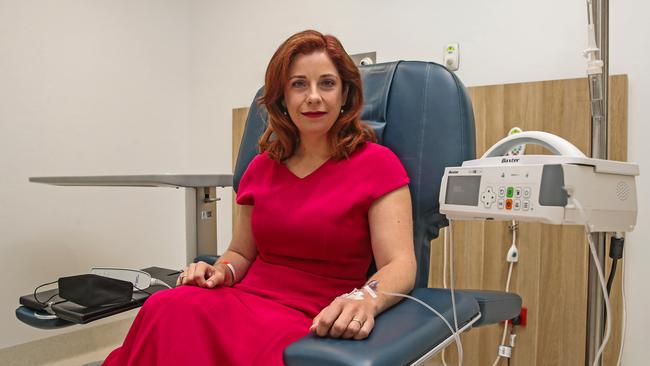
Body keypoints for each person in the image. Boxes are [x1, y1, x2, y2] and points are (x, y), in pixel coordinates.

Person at [103, 29, 416, 366]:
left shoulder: (378, 165)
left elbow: (400, 263)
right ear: (282, 97)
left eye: (327, 83)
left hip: (313, 315)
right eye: (299, 84)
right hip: (245, 297)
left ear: (345, 95)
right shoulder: (261, 167)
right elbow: (240, 252)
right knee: (166, 306)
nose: (313, 96)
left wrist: (365, 298)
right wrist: (219, 271)